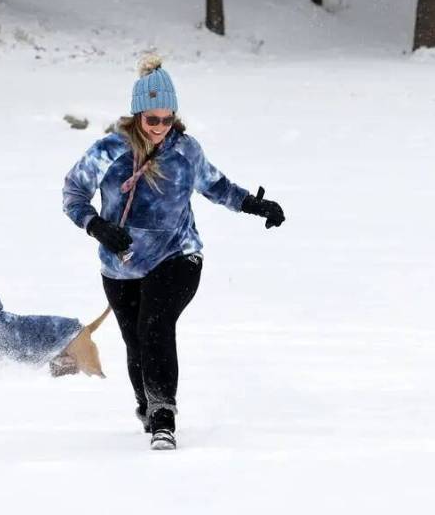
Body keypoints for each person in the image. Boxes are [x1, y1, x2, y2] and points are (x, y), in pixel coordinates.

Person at [62, 55, 285, 450]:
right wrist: (97, 227)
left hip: (178, 254)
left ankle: (164, 414)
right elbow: (73, 193)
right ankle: (146, 407)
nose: (161, 128)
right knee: (135, 341)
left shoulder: (185, 151)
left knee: (155, 327)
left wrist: (256, 205)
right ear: (137, 117)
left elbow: (218, 187)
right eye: (153, 121)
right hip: (122, 264)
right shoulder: (108, 150)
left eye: (168, 120)